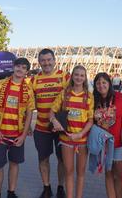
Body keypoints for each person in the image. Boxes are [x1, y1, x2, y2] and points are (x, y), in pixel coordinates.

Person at [0, 58, 35, 198]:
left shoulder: (28, 89)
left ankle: (11, 192)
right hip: (0, 134)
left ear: (26, 71)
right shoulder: (1, 84)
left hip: (17, 134)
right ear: (13, 67)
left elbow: (29, 113)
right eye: (18, 66)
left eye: (23, 68)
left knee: (14, 164)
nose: (20, 69)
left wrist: (23, 135)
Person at [50, 65, 94, 198]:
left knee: (80, 174)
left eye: (82, 75)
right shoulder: (64, 93)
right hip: (66, 140)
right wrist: (54, 121)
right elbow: (51, 112)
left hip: (82, 141)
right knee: (69, 172)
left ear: (85, 78)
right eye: (76, 74)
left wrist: (80, 134)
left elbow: (91, 121)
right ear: (72, 76)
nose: (79, 77)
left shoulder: (89, 96)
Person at [31, 48, 70, 198]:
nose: (46, 63)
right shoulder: (34, 80)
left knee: (62, 160)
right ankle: (46, 187)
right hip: (41, 127)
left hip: (61, 128)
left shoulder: (65, 76)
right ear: (39, 62)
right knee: (43, 159)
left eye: (49, 60)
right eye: (43, 60)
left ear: (54, 60)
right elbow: (27, 104)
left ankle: (61, 187)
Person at [93, 72, 122, 198]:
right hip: (104, 144)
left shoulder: (120, 97)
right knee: (108, 174)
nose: (101, 85)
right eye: (98, 83)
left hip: (119, 143)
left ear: (109, 83)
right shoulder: (94, 100)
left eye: (104, 82)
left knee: (119, 175)